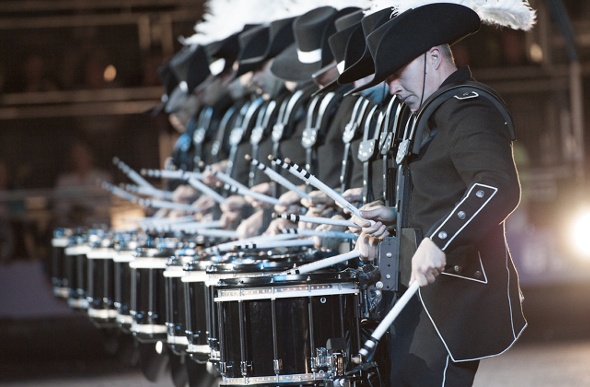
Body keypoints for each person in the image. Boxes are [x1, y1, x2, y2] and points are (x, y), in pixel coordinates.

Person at [347, 3, 534, 386]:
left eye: (398, 72)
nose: (393, 87)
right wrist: (395, 214)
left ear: (434, 57)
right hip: (423, 296)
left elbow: (496, 184)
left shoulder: (468, 106)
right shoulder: (433, 111)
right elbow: (440, 194)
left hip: (453, 300)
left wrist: (440, 239)